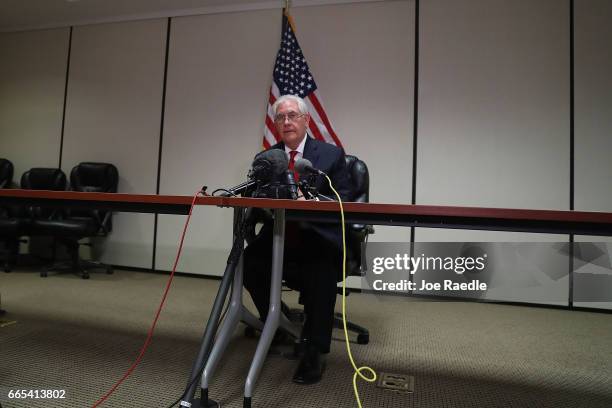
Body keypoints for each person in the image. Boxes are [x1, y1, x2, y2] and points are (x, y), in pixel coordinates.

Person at [243, 94, 352, 384]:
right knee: (248, 262)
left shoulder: (331, 155)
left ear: (306, 120)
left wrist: (313, 199)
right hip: (278, 235)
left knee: (321, 271)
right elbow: (255, 197)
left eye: (293, 115)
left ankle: (313, 350)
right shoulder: (266, 159)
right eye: (281, 117)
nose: (287, 121)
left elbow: (345, 199)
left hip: (316, 235)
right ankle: (274, 321)